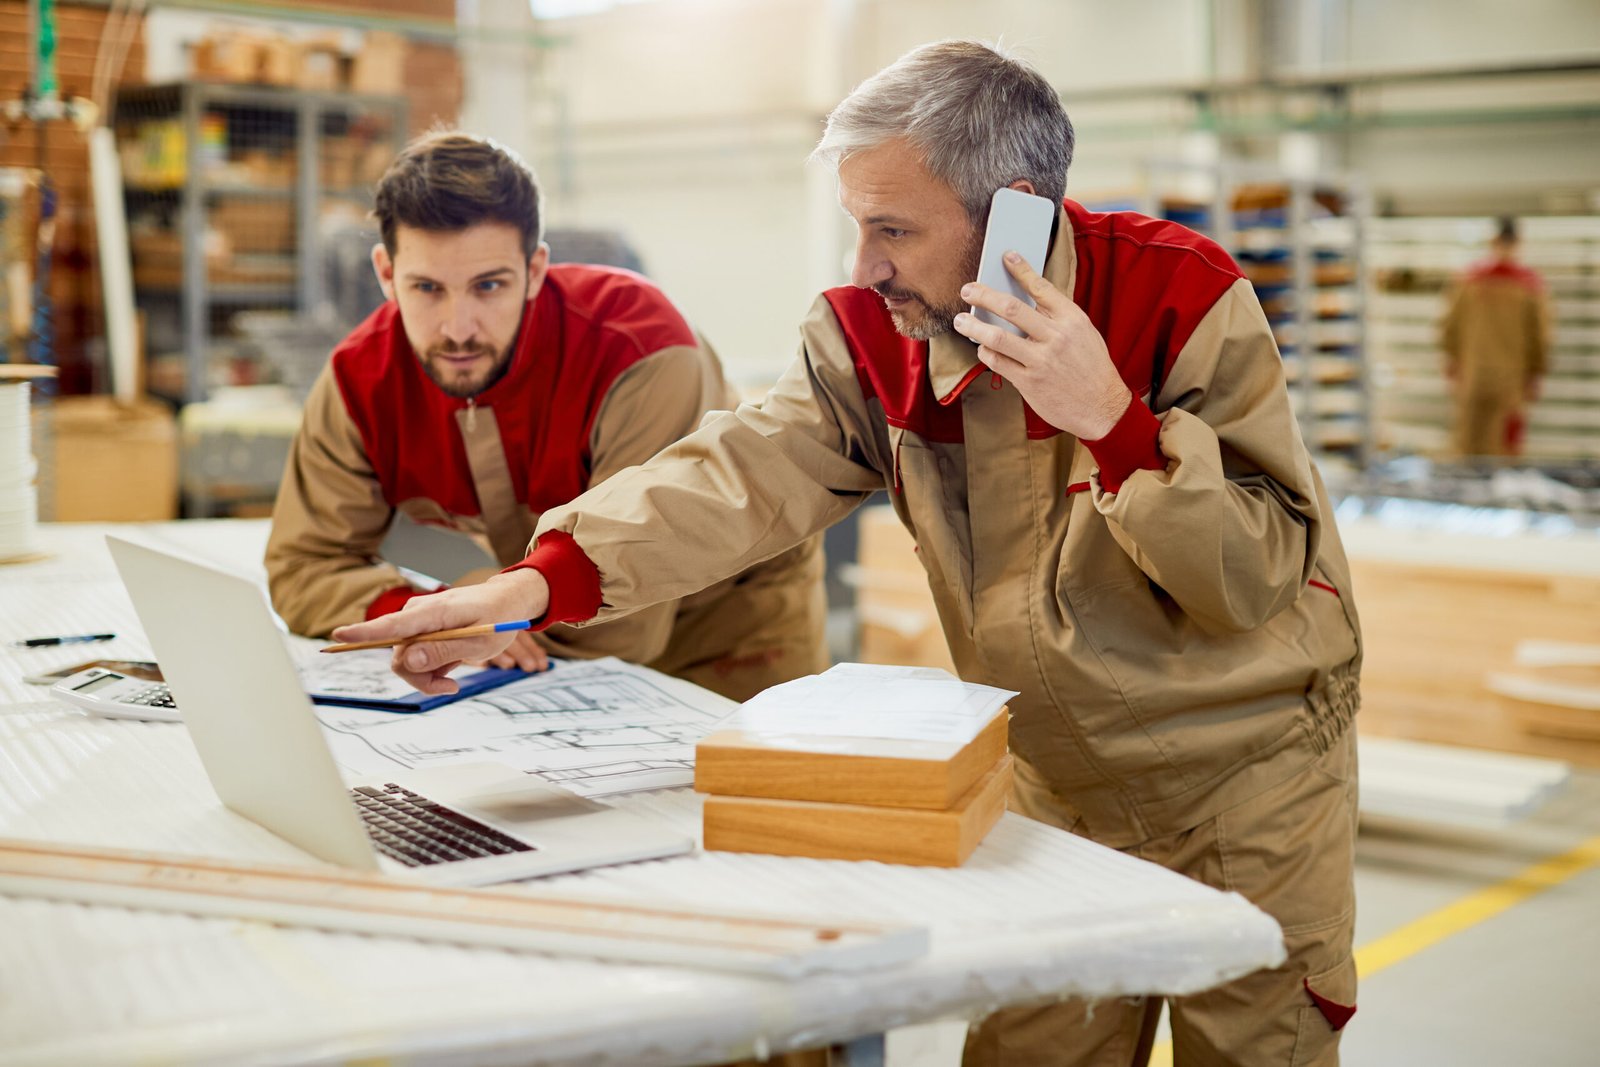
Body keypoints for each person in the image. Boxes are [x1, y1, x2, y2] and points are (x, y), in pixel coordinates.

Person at [333, 43, 1364, 1066]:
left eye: (891, 229)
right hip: (1057, 780)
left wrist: (1111, 419)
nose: (862, 263)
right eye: (855, 224)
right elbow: (742, 471)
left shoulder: (1177, 294)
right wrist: (537, 578)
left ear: (1012, 212)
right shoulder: (874, 331)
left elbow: (1254, 574)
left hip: (1249, 776)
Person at [265, 131, 828, 702]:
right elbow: (302, 565)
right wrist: (426, 615)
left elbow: (624, 623)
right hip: (536, 627)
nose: (458, 328)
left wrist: (488, 611)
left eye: (489, 285)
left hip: (727, 631)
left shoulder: (641, 351)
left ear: (535, 270)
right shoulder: (361, 380)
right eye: (428, 288)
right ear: (386, 274)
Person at [1441, 216, 1551, 458]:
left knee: (1469, 443)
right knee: (1503, 447)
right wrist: (1535, 372)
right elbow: (1539, 337)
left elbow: (1450, 327)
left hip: (1473, 374)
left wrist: (1452, 362)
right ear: (1518, 243)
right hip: (1510, 378)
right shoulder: (1529, 286)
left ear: (1493, 241)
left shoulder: (1468, 281)